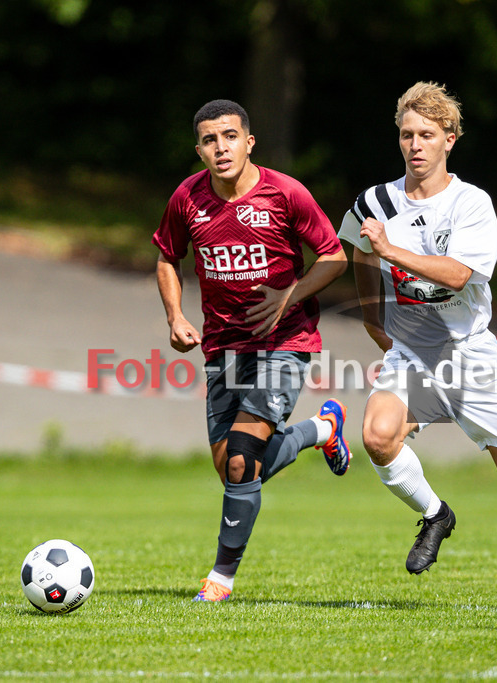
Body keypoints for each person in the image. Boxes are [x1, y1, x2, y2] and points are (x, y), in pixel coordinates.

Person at [337, 81, 497, 608]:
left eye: (427, 134)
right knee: (378, 437)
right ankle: (435, 514)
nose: (415, 145)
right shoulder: (374, 202)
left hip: (471, 355)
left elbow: (455, 275)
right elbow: (359, 251)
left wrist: (391, 249)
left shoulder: (472, 204)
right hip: (410, 353)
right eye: (407, 135)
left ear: (451, 138)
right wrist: (371, 319)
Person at [153, 99, 351, 602]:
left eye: (229, 136)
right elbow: (167, 258)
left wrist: (291, 296)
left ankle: (220, 580)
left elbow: (333, 256)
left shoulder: (285, 193)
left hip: (285, 343)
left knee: (242, 461)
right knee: (233, 467)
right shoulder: (187, 199)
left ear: (249, 141)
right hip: (223, 348)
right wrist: (176, 316)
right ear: (198, 149)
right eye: (209, 140)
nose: (221, 148)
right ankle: (322, 430)